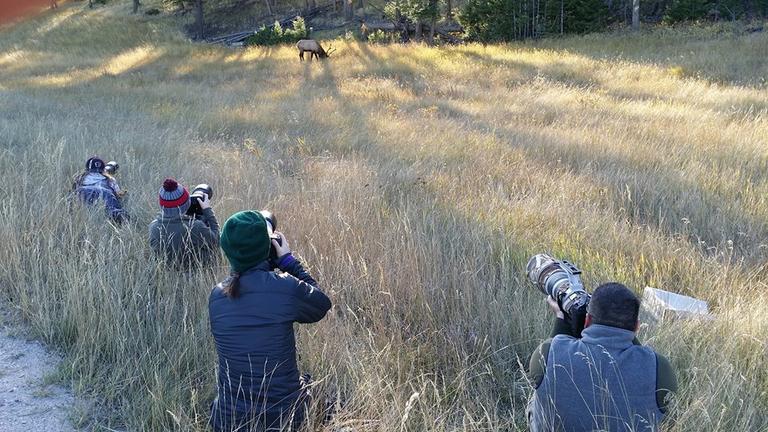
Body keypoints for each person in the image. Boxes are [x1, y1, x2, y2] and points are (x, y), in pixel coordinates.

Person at [209, 210, 332, 432]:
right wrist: (287, 261)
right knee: (318, 388)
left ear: (227, 250)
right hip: (286, 418)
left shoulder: (217, 297)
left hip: (228, 422)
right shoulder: (284, 287)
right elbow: (322, 304)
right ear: (268, 247)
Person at [527, 282, 677, 432]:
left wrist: (562, 318)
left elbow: (550, 365)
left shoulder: (547, 352)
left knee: (538, 392)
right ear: (637, 327)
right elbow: (667, 421)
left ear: (587, 321)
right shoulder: (659, 368)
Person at [148, 178, 220, 268]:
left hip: (168, 271)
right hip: (195, 271)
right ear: (187, 203)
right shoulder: (195, 227)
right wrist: (207, 210)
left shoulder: (153, 226)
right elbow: (216, 240)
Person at [72, 156, 127, 223]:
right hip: (105, 193)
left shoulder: (80, 177)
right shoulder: (110, 179)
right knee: (113, 209)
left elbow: (74, 190)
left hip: (83, 192)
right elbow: (118, 194)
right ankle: (117, 216)